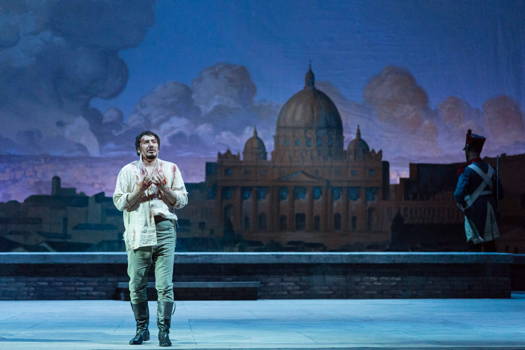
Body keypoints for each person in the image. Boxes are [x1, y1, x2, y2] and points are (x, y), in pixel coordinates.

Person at [113, 130, 188, 347]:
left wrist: (164, 187)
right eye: (146, 142)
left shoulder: (171, 168)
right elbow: (120, 203)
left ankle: (164, 332)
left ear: (159, 146)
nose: (150, 145)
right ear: (139, 148)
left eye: (154, 142)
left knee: (165, 285)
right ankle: (141, 328)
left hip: (164, 228)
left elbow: (182, 200)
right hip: (138, 230)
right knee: (137, 283)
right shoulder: (128, 171)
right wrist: (140, 189)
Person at [453, 129, 501, 252]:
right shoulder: (491, 169)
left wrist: (463, 205)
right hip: (490, 211)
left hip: (474, 211)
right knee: (491, 247)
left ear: (468, 151)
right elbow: (500, 193)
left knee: (473, 247)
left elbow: (458, 194)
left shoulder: (467, 171)